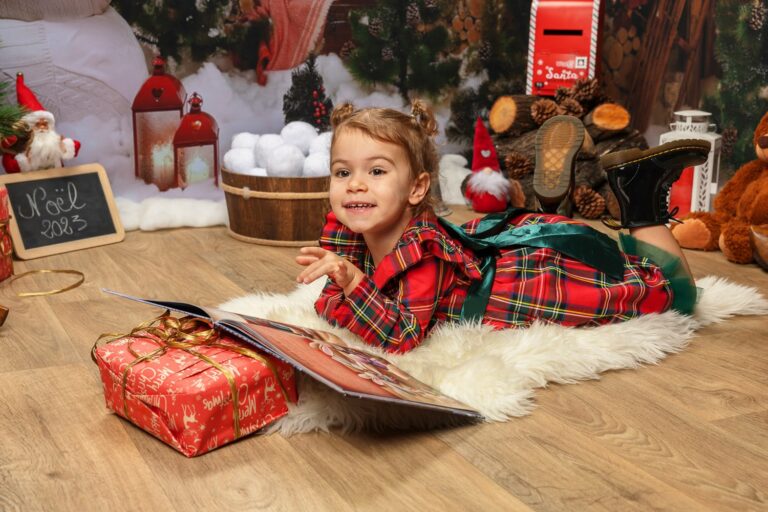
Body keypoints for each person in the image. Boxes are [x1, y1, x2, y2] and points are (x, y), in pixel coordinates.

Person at [295, 102, 710, 354]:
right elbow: (329, 305)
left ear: (417, 188)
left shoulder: (423, 251)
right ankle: (586, 203)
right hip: (486, 255)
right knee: (609, 262)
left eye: (376, 171)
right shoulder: (352, 233)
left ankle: (640, 196)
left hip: (518, 285)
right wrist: (346, 282)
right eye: (343, 172)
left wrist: (353, 283)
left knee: (666, 294)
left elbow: (401, 337)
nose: (355, 185)